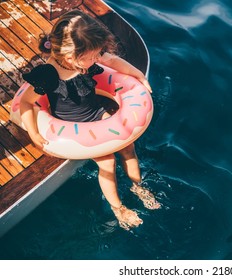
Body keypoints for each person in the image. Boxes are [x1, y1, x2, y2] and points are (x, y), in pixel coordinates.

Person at [20, 10, 160, 231]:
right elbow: (26, 103)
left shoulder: (86, 59)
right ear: (70, 57)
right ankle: (118, 208)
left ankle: (138, 187)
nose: (97, 60)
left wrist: (139, 76)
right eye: (93, 56)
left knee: (128, 147)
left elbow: (113, 61)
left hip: (96, 113)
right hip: (72, 124)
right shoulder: (48, 73)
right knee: (107, 162)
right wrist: (34, 134)